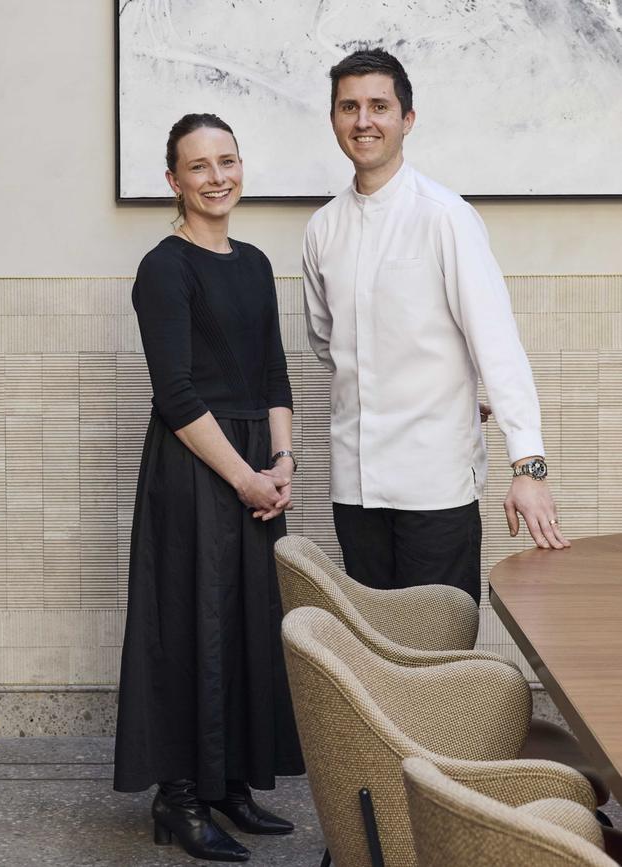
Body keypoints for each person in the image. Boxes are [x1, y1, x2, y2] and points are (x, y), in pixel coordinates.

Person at [302, 49, 570, 602]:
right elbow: (331, 343)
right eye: (348, 106)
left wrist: (530, 468)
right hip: (354, 485)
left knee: (438, 648)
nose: (363, 120)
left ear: (407, 119)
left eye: (379, 105)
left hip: (436, 482)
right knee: (370, 649)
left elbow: (496, 345)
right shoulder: (322, 229)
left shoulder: (445, 216)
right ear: (333, 120)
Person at [114, 113, 304, 863]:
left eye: (227, 159)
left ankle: (228, 785)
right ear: (174, 181)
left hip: (259, 464)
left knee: (246, 627)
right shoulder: (164, 267)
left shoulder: (255, 263)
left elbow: (275, 373)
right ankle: (181, 796)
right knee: (191, 627)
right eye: (199, 165)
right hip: (197, 470)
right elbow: (177, 394)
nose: (217, 175)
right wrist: (245, 476)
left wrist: (282, 463)